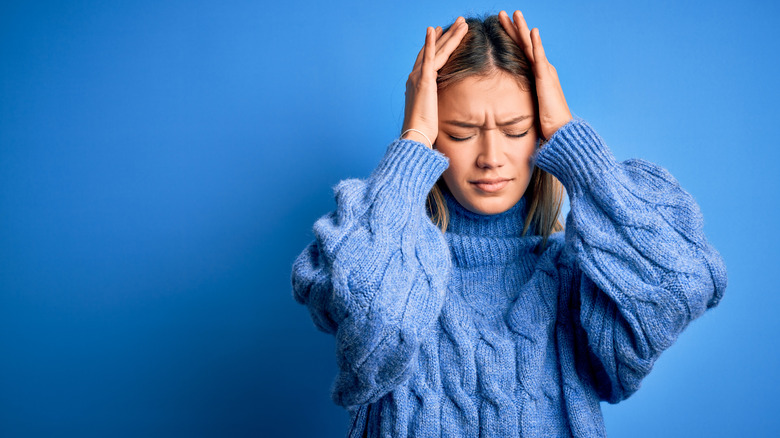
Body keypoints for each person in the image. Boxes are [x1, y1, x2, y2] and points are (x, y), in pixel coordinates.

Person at [290, 10, 727, 438]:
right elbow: (376, 321)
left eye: (516, 131)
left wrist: (576, 147)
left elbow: (683, 283)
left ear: (540, 133)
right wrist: (412, 143)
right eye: (460, 133)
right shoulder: (383, 258)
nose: (491, 158)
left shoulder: (575, 276)